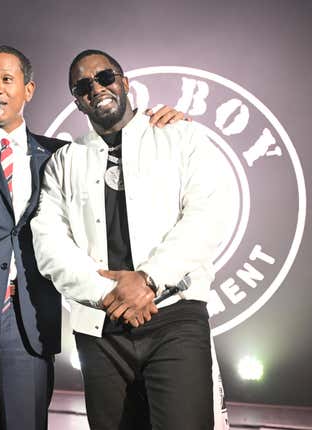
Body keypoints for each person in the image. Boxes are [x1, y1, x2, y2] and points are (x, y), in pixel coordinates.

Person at [0, 45, 187, 430]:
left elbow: (121, 160)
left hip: (30, 326)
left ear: (28, 90)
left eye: (7, 79)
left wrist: (161, 125)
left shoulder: (58, 156)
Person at [31, 49, 232, 429]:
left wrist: (148, 279)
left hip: (174, 317)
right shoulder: (64, 161)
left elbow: (207, 216)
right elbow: (50, 243)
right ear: (77, 101)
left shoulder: (179, 135)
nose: (96, 88)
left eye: (104, 77)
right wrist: (109, 294)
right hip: (100, 329)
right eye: (83, 85)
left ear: (124, 83)